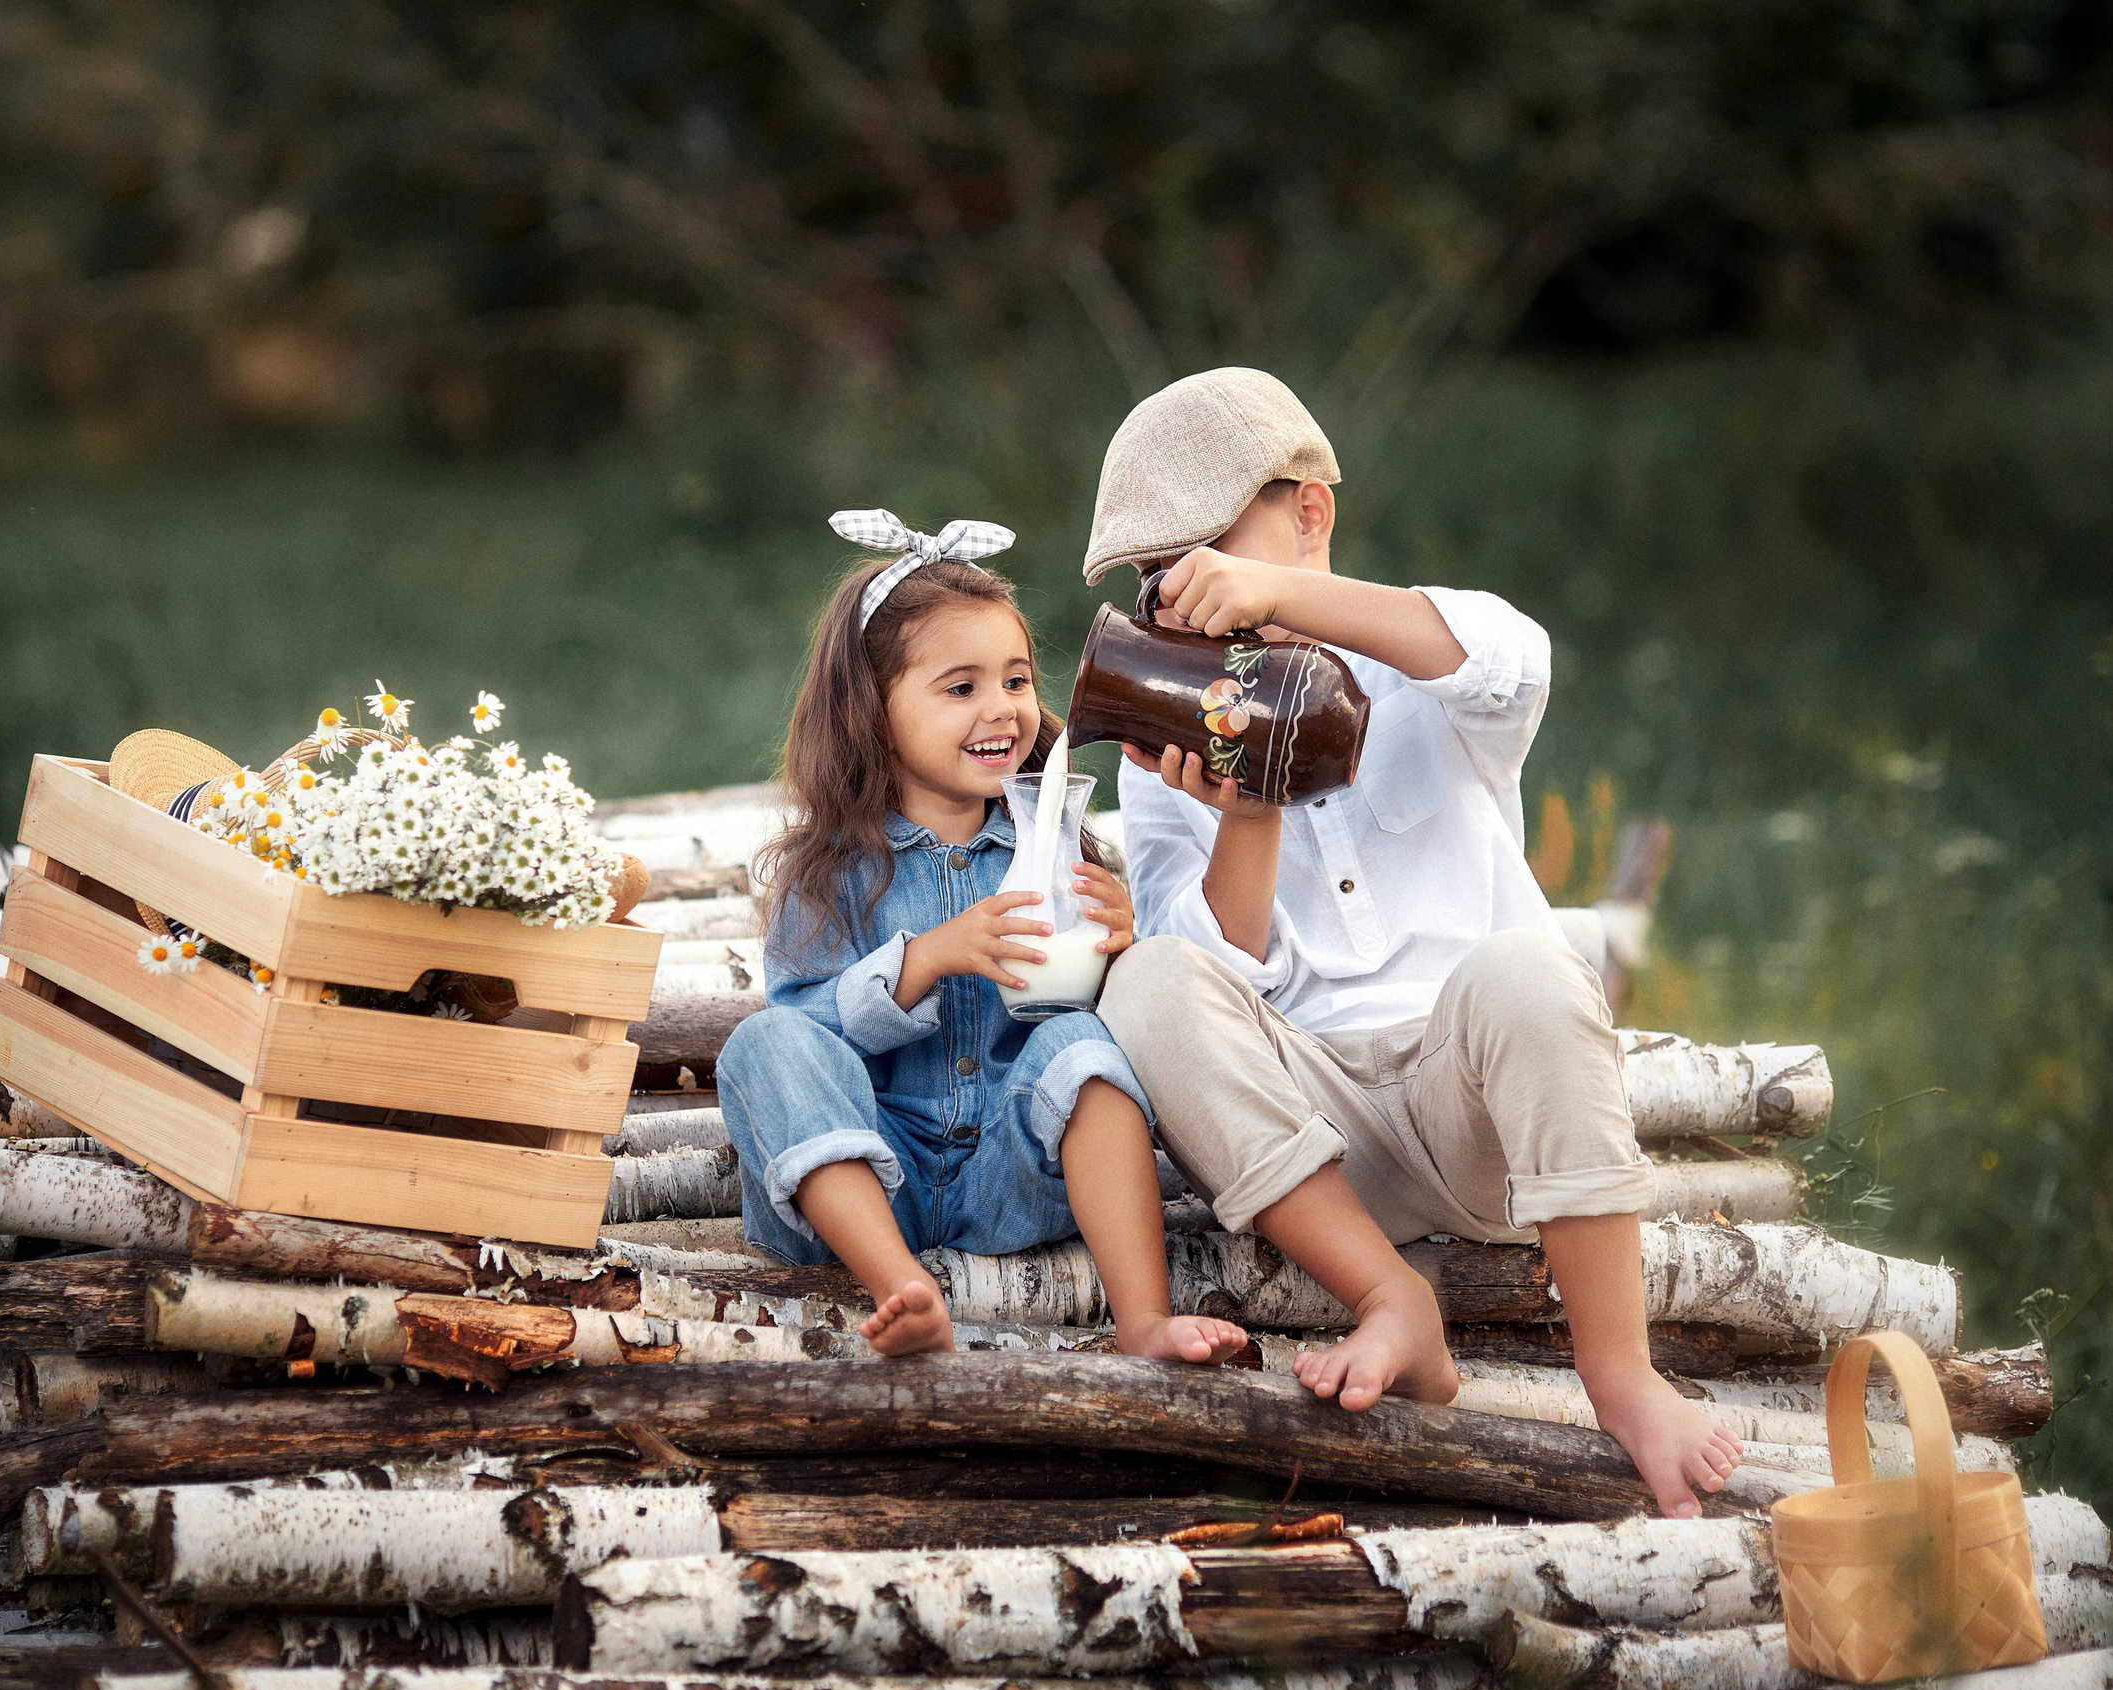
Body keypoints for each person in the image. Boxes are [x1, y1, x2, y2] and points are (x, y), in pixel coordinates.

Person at [1086, 370, 1743, 1517]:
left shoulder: (1421, 666)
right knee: (1146, 980)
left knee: (1534, 963)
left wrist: (1278, 604)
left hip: (1472, 1109)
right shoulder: (1169, 761)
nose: (1186, 597)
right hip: (1314, 1150)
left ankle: (1621, 1372)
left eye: (1207, 555)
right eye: (1160, 579)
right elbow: (1215, 975)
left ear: (1308, 515)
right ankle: (1391, 1296)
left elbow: (1512, 654)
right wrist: (1247, 806)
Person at [716, 508, 1249, 1366]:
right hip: (866, 1179)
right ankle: (904, 1291)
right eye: (960, 688)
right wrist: (927, 959)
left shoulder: (1055, 849)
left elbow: (1089, 1044)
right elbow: (805, 1039)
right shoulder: (829, 870)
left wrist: (1121, 951)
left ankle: (1143, 1317)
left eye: (1015, 680)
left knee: (1082, 1041)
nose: (1002, 709)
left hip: (1012, 1176)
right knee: (762, 1042)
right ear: (870, 712)